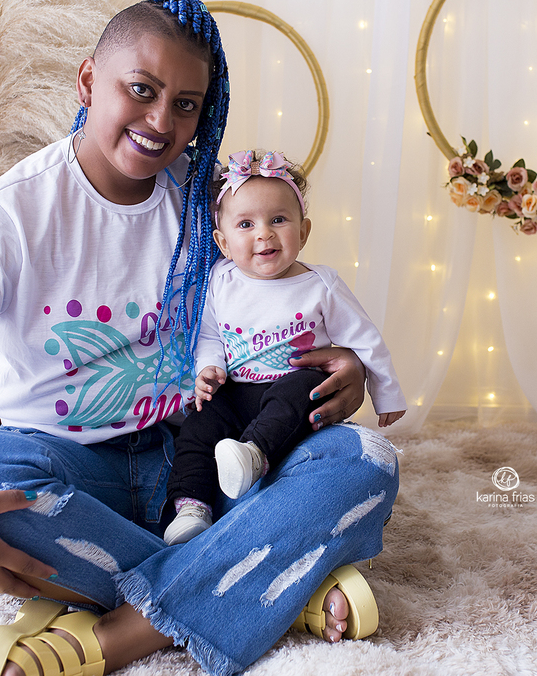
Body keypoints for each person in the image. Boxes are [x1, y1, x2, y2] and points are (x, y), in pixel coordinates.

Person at [0, 0, 399, 676]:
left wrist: (340, 364)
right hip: (67, 473)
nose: (160, 119)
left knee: (364, 460)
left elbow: (287, 300)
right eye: (140, 89)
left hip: (194, 462)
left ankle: (114, 639)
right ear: (88, 80)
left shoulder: (212, 206)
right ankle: (268, 578)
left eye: (186, 104)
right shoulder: (9, 215)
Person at [163, 149, 407, 546]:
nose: (264, 233)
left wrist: (387, 393)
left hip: (290, 388)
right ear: (223, 242)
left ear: (304, 231)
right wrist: (208, 369)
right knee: (198, 427)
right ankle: (191, 507)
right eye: (246, 224)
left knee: (305, 386)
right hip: (235, 388)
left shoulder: (320, 284)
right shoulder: (221, 280)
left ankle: (254, 455)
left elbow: (365, 340)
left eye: (278, 220)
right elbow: (209, 335)